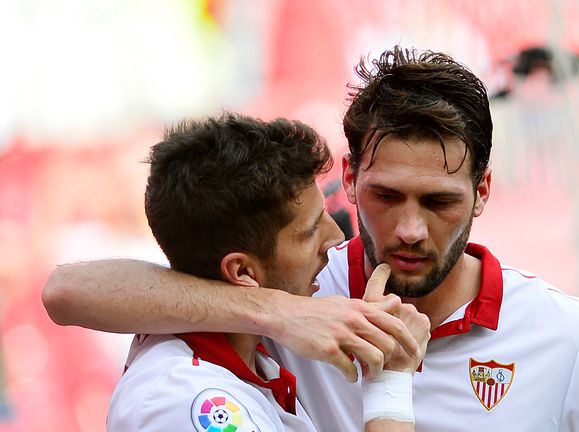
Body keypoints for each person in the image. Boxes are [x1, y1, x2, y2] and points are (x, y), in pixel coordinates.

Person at [43, 46, 579, 431]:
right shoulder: (297, 291)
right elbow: (69, 291)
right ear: (348, 178)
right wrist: (275, 315)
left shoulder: (567, 339)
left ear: (482, 192)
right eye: (386, 196)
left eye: (439, 202)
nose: (408, 229)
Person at [102, 114, 430, 432]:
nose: (335, 238)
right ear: (242, 271)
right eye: (311, 230)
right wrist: (391, 384)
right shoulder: (188, 400)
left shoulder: (256, 356)